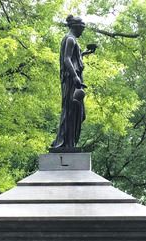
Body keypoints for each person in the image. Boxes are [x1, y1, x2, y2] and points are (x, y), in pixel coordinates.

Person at [51, 15, 97, 152]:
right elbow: (66, 60)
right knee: (72, 110)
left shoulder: (72, 40)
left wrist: (83, 54)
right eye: (82, 28)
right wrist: (75, 77)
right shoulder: (70, 39)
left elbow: (73, 58)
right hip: (72, 81)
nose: (82, 31)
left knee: (77, 112)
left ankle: (69, 142)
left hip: (74, 79)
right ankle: (65, 143)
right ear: (75, 27)